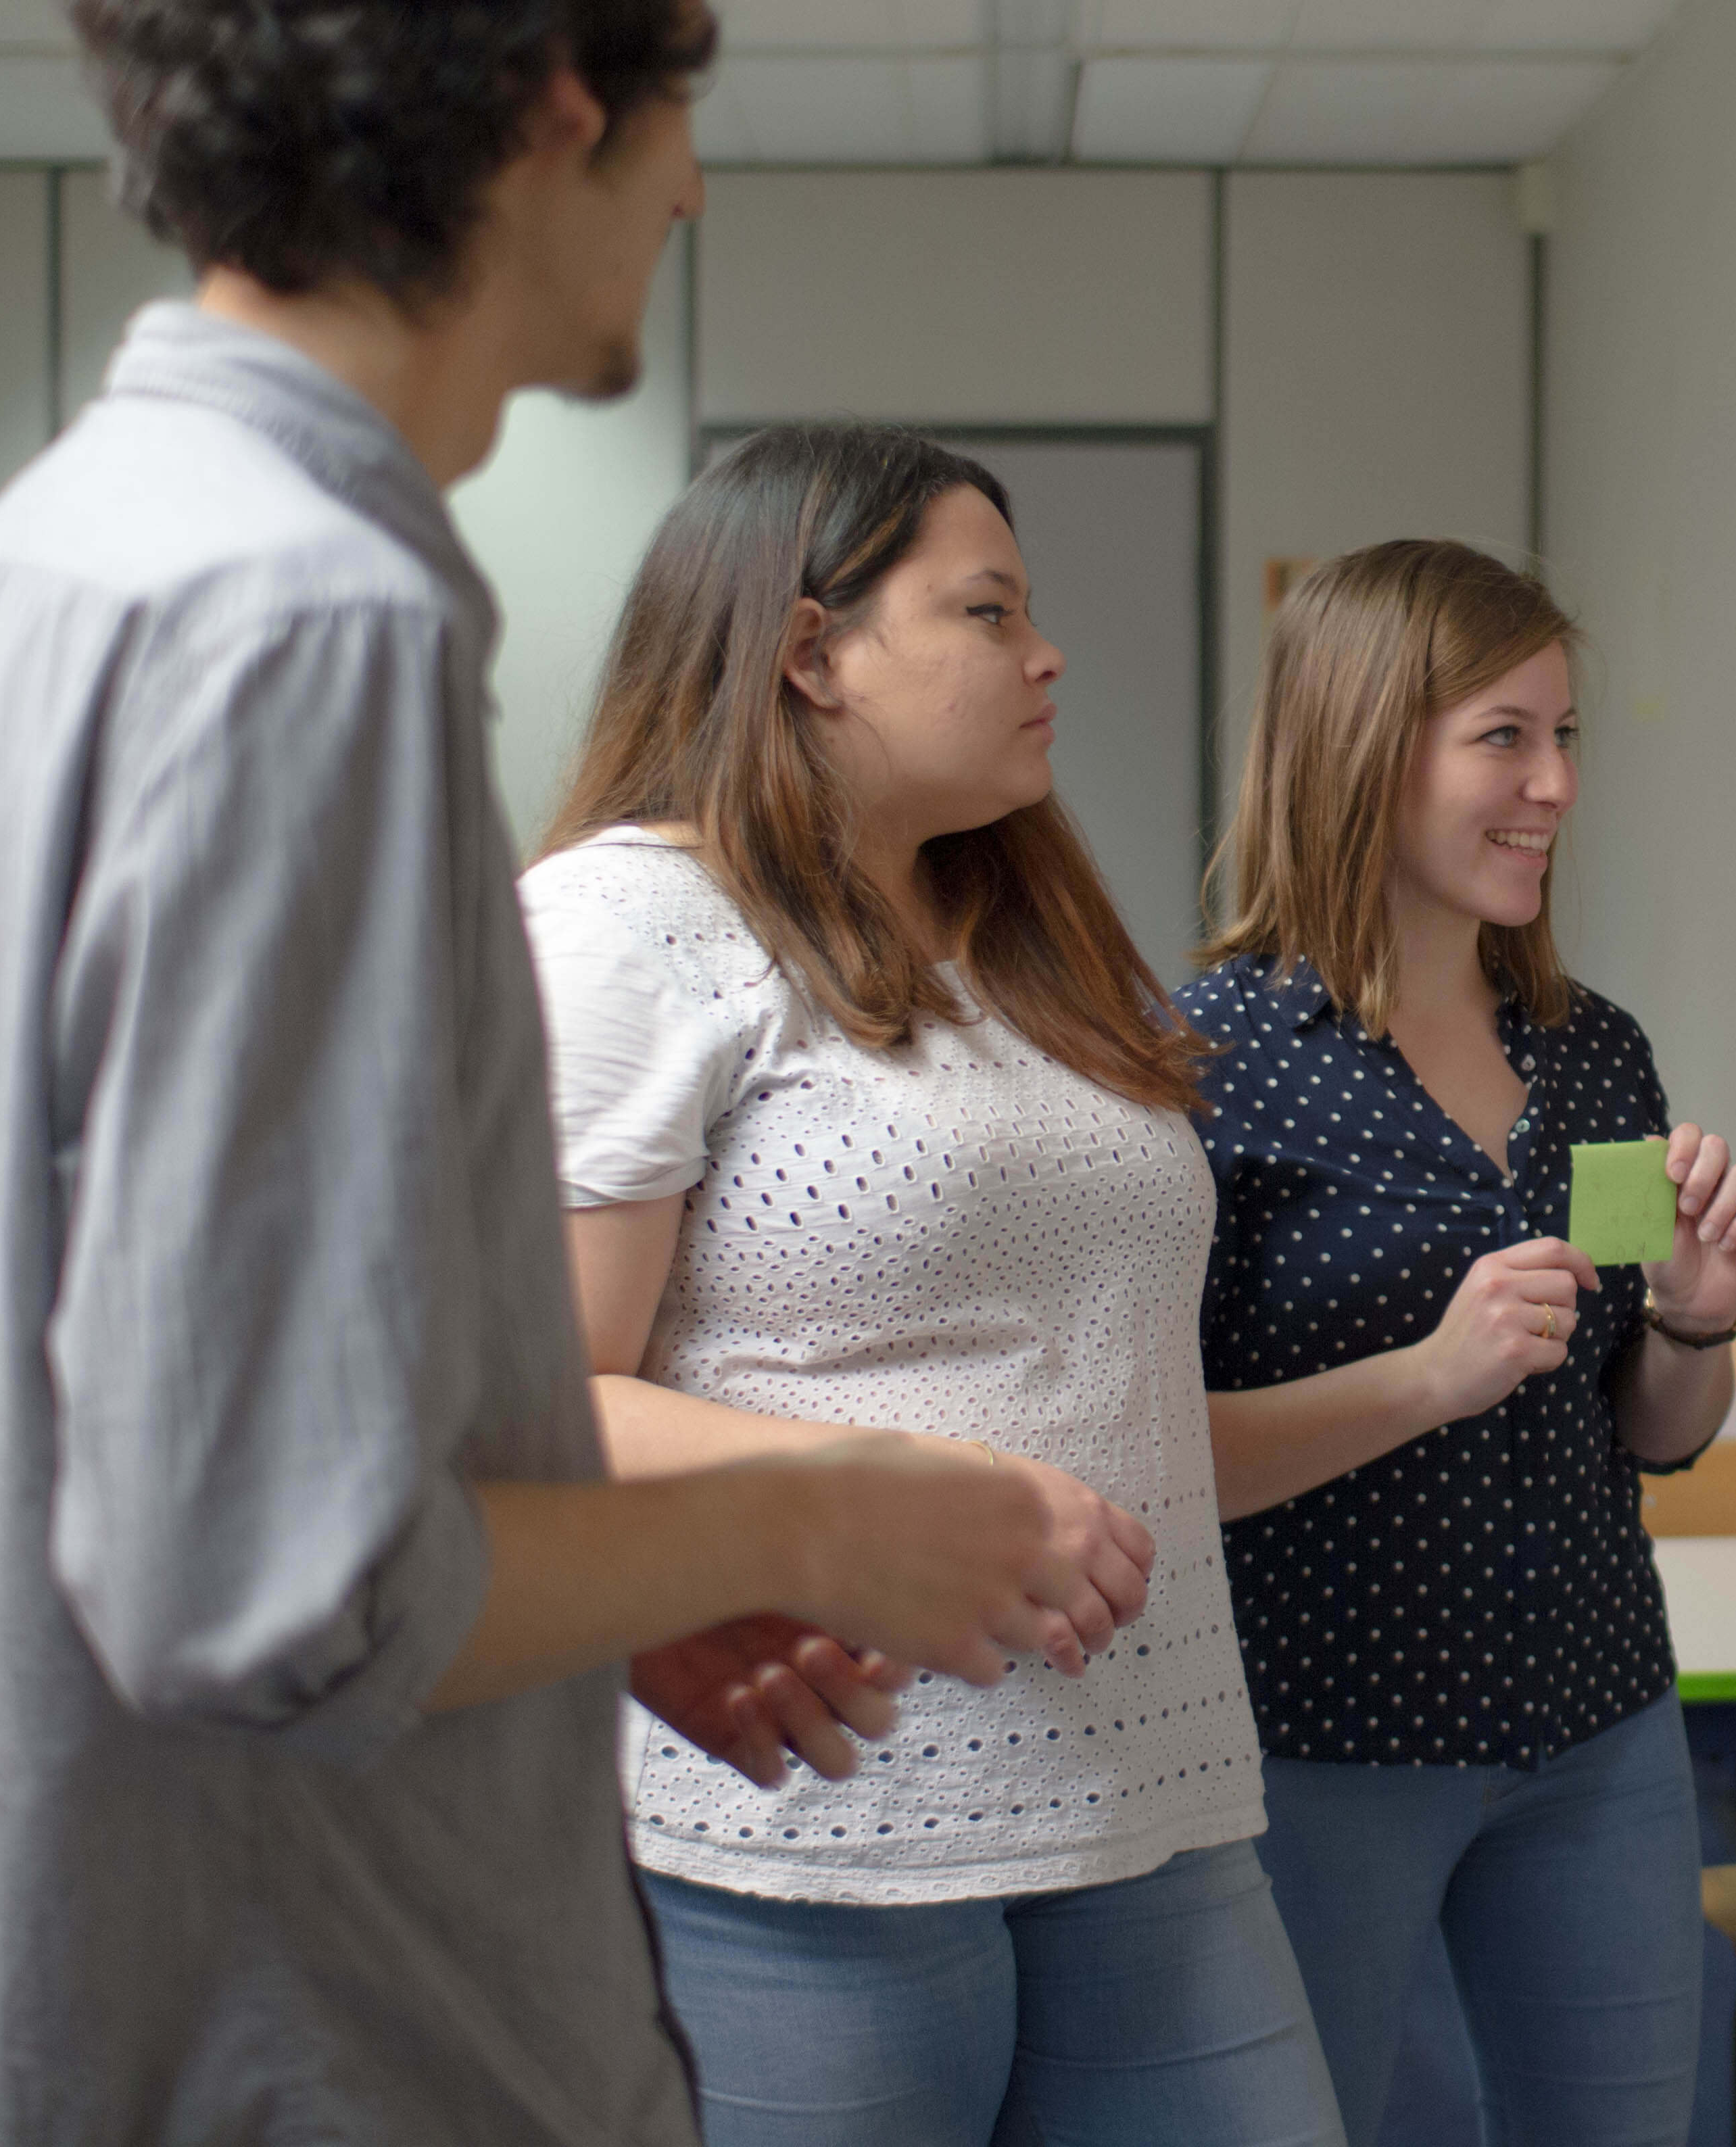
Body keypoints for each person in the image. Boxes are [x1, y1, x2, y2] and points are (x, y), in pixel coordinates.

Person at [0, 0, 1153, 2140]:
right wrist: (816, 1512)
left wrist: (619, 1579)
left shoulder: (29, 569)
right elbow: (275, 1586)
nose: (694, 186)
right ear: (557, 96)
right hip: (311, 2026)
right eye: (689, 99)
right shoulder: (301, 626)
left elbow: (167, 1420)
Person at [521, 424, 1341, 2146]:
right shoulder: (624, 928)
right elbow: (536, 1407)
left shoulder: (1032, 944)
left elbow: (1113, 1393)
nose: (1043, 655)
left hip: (1157, 1800)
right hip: (818, 1833)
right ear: (811, 651)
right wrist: (918, 1496)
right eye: (985, 613)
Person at [1180, 541, 1736, 2147]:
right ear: (1366, 752)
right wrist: (1431, 1379)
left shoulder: (1598, 1058)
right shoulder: (1198, 1067)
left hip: (1596, 1727)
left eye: (1566, 736)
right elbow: (1153, 1461)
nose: (1556, 785)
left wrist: (1701, 1314)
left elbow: (1647, 1426)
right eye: (1504, 738)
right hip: (1323, 1743)